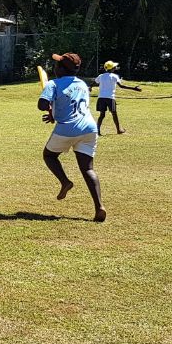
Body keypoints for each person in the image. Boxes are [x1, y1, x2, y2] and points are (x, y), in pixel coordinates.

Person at [40, 52, 106, 222]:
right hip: (89, 128)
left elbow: (41, 105)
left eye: (57, 65)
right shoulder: (82, 84)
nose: (54, 67)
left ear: (60, 69)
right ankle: (99, 207)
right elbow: (73, 105)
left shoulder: (53, 84)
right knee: (88, 168)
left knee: (49, 155)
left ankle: (65, 182)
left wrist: (47, 103)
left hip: (67, 129)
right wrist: (54, 113)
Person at [93, 60, 142, 135]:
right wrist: (134, 88)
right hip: (110, 98)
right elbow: (121, 86)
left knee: (102, 115)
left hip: (101, 98)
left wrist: (90, 87)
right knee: (114, 114)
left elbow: (94, 82)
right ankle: (119, 130)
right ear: (112, 68)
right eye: (114, 67)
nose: (115, 67)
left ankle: (98, 131)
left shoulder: (101, 76)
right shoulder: (115, 76)